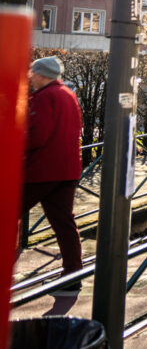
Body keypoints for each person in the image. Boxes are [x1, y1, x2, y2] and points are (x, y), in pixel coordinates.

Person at [22, 56, 83, 284]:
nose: (31, 77)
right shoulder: (68, 94)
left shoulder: (44, 97)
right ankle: (73, 274)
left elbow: (37, 135)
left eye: (33, 73)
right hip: (67, 169)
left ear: (42, 74)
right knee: (64, 223)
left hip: (42, 169)